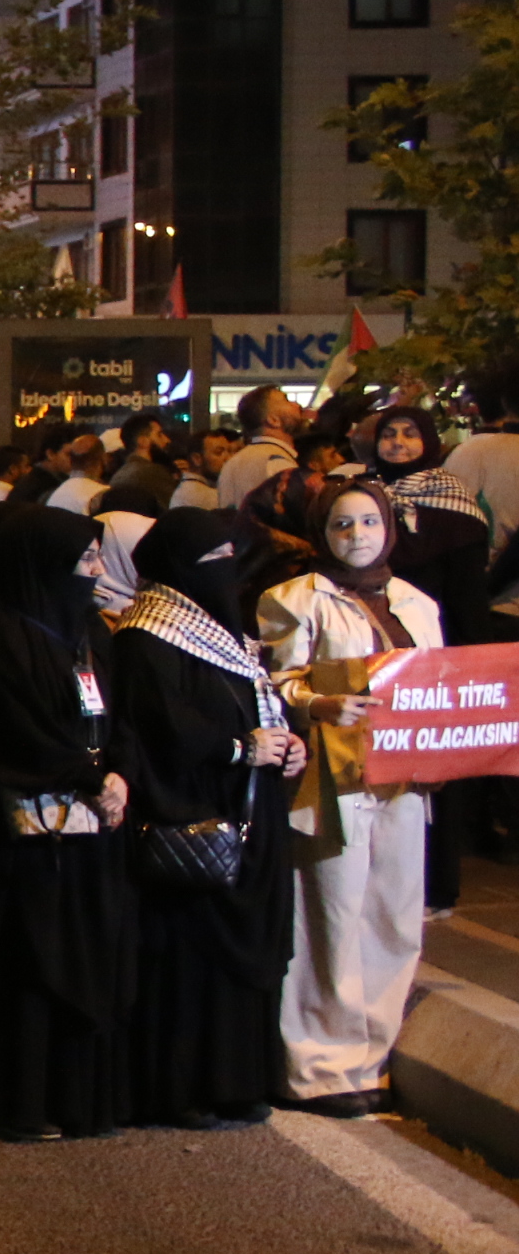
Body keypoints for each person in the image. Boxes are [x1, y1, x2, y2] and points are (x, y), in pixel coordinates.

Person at [110, 509, 302, 1128]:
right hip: (194, 816)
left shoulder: (222, 634)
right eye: (213, 560)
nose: (227, 572)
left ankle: (244, 1079)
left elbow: (257, 701)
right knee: (193, 959)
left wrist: (286, 743)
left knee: (250, 953)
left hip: (251, 813)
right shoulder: (149, 637)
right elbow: (165, 732)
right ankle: (186, 1085)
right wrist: (241, 747)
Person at [258, 478, 443, 1118]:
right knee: (330, 918)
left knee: (392, 917)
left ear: (389, 528)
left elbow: (440, 683)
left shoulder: (416, 603)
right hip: (332, 780)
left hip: (403, 781)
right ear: (321, 533)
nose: (357, 537)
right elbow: (275, 682)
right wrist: (318, 702)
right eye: (342, 525)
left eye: (369, 523)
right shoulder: (292, 599)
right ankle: (318, 1066)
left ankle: (372, 1057)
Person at [0, 504, 136, 1139]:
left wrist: (117, 772)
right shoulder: (4, 637)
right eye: (83, 560)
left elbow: (119, 717)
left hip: (93, 829)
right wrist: (84, 777)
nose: (92, 571)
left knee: (90, 955)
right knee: (31, 969)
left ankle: (80, 1100)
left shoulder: (90, 632)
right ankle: (23, 1104)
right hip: (30, 839)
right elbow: (16, 731)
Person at [217, 388, 302, 511]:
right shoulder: (276, 462)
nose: (296, 405)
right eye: (287, 401)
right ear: (274, 420)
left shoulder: (232, 463)